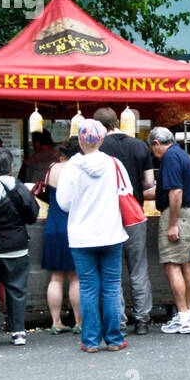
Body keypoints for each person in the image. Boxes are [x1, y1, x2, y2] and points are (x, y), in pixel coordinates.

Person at [57, 120, 128, 353]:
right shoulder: (114, 164)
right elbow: (127, 193)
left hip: (81, 236)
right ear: (101, 139)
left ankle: (90, 341)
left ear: (79, 140)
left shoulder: (71, 167)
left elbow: (63, 202)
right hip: (111, 233)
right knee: (110, 287)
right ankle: (115, 339)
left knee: (88, 287)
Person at [97, 107, 155, 335]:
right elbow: (149, 182)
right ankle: (142, 320)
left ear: (101, 127)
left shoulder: (99, 148)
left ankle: (118, 320)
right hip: (134, 214)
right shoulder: (140, 145)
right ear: (116, 122)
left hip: (108, 216)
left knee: (113, 272)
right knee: (138, 268)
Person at [0, 148, 39, 347]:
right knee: (17, 288)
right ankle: (18, 332)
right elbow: (32, 214)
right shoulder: (19, 188)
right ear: (12, 167)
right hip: (16, 244)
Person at [148, 126, 190, 334]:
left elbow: (176, 191)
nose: (154, 154)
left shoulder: (169, 158)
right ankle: (186, 314)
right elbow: (168, 189)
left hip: (179, 214)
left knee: (172, 265)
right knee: (186, 264)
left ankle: (185, 317)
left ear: (156, 144)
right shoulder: (183, 155)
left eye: (153, 149)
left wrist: (172, 224)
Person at [40, 139, 81, 334]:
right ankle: (79, 322)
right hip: (74, 226)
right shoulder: (79, 169)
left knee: (56, 278)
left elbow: (45, 193)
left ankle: (56, 321)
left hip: (53, 226)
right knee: (75, 277)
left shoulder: (53, 168)